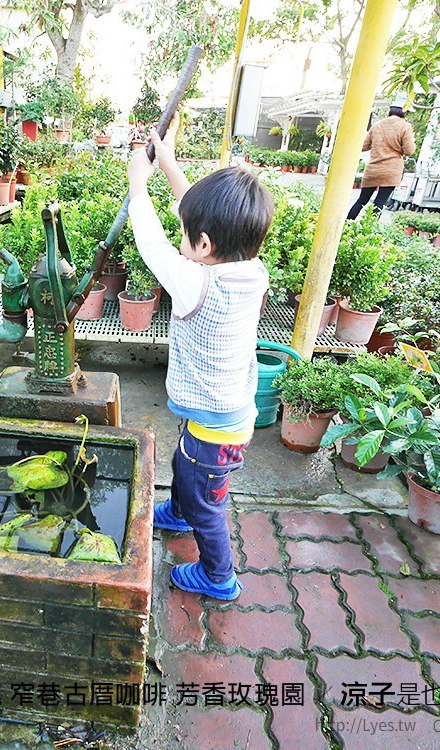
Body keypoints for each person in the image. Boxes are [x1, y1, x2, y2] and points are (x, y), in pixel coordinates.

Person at [127, 119, 273, 601]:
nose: (181, 238)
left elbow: (152, 244)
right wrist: (169, 165)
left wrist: (138, 182)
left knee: (208, 504)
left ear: (205, 245)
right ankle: (180, 510)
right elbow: (201, 218)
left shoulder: (198, 282)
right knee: (184, 463)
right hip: (223, 410)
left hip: (216, 427)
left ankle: (219, 576)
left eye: (187, 234)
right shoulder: (250, 268)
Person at [347, 104, 416, 220]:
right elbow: (409, 151)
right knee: (380, 202)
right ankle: (368, 228)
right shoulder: (405, 126)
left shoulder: (377, 125)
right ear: (404, 112)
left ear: (390, 110)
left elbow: (363, 146)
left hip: (373, 169)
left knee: (362, 200)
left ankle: (347, 224)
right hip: (391, 170)